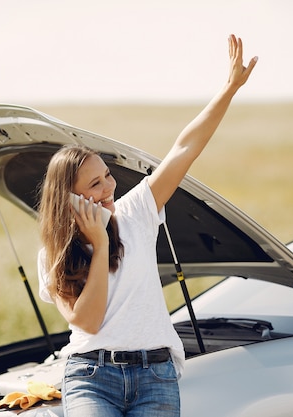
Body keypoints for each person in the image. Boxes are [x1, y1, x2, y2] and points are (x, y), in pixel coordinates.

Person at [37, 34, 257, 417]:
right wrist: (101, 244)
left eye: (107, 176)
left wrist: (228, 89)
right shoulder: (53, 255)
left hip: (155, 376)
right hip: (91, 376)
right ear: (68, 198)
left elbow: (185, 148)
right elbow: (87, 321)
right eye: (95, 184)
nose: (109, 187)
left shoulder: (136, 210)